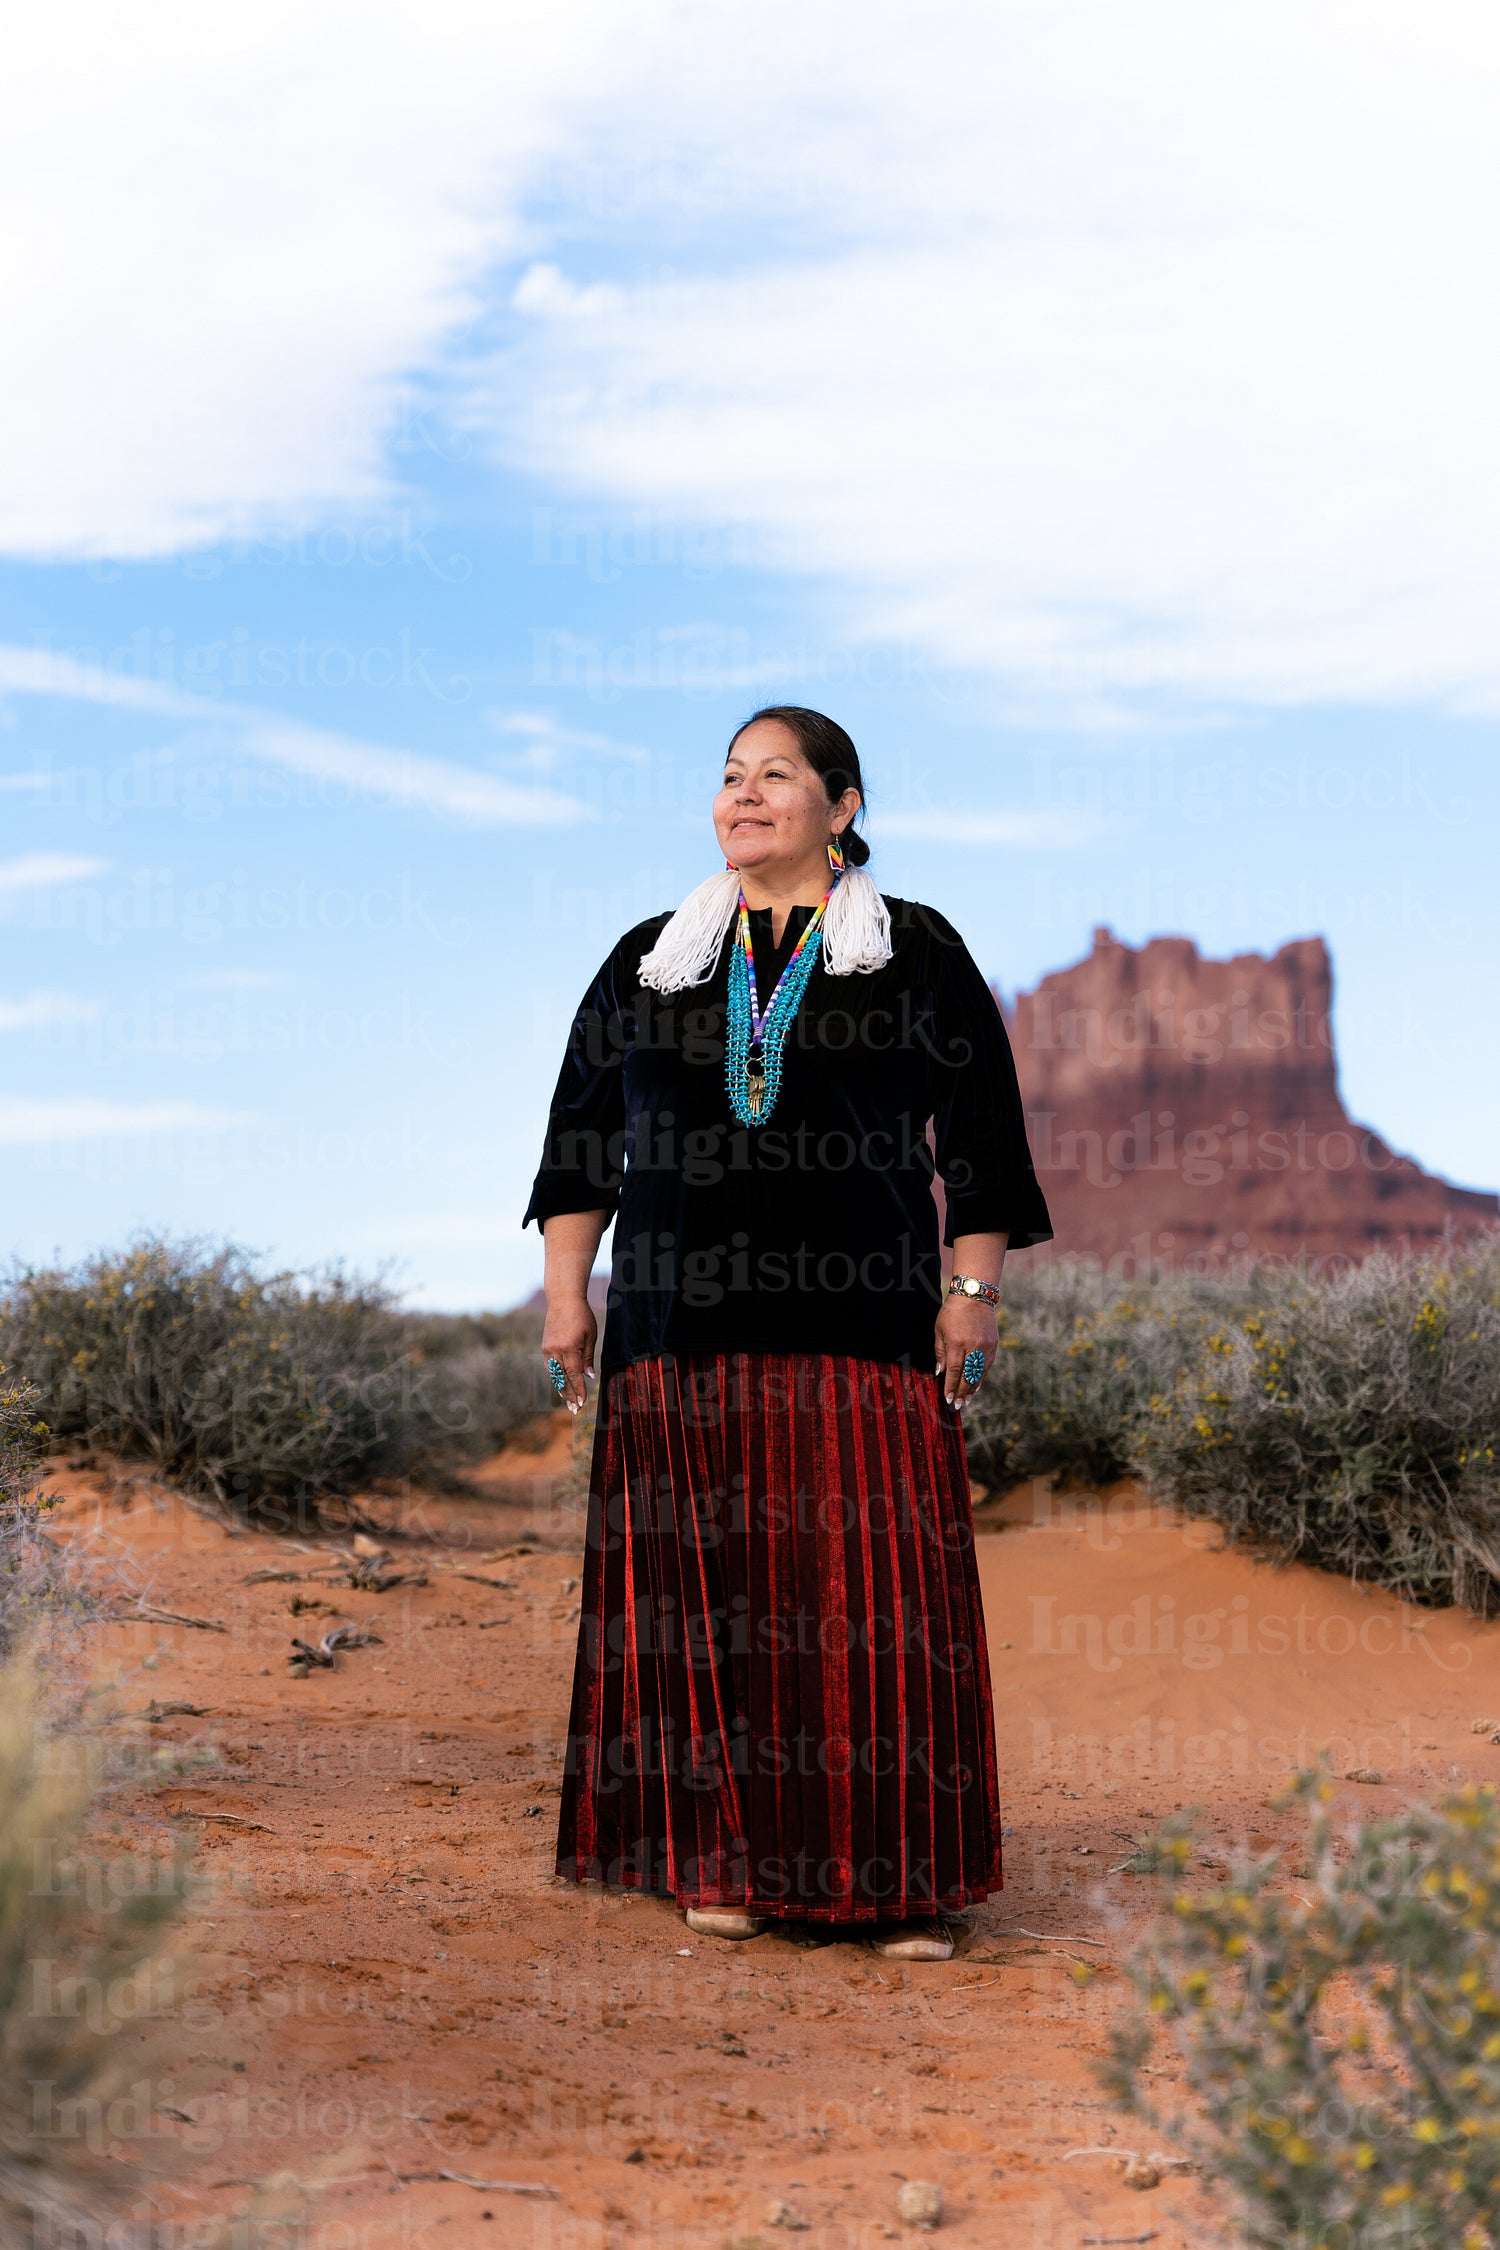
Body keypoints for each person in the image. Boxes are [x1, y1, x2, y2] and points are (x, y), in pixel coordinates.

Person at [523, 705, 1053, 1959]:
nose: (743, 797)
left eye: (775, 776)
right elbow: (581, 1141)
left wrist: (970, 1296)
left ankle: (896, 1883)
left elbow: (982, 1147)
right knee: (708, 1605)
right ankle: (717, 1858)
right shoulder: (652, 959)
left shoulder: (913, 953)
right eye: (727, 778)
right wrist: (567, 1296)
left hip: (859, 1327)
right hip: (673, 1325)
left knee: (862, 1607)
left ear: (843, 806)